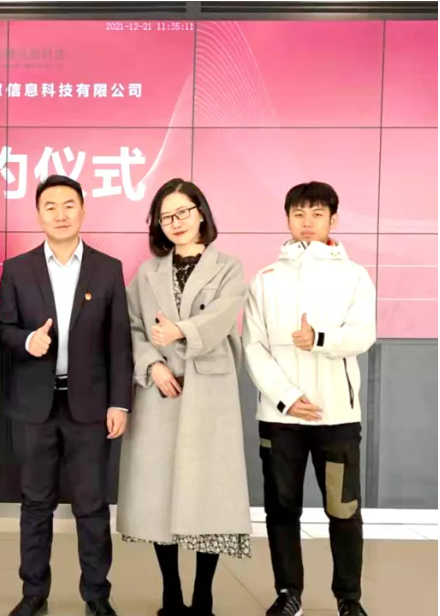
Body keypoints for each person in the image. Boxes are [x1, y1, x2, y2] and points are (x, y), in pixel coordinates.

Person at [0, 175, 131, 616]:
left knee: (92, 506)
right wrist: (26, 341)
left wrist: (119, 401)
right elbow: (2, 329)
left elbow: (119, 342)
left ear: (83, 210)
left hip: (89, 406)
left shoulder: (107, 268)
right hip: (34, 405)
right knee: (35, 504)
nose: (60, 214)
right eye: (50, 206)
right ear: (38, 215)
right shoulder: (18, 268)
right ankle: (34, 594)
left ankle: (97, 596)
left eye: (68, 205)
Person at [116, 179, 252, 616]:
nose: (175, 222)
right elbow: (133, 326)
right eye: (165, 216)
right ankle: (171, 593)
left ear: (201, 213)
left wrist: (181, 331)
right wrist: (151, 365)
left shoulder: (227, 267)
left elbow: (223, 315)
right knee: (159, 492)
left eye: (182, 212)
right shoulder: (147, 273)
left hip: (209, 391)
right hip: (161, 392)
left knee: (209, 492)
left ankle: (204, 596)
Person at [243, 181, 376, 616]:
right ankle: (288, 594)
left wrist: (319, 338)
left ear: (333, 219)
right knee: (281, 509)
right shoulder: (265, 279)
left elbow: (363, 334)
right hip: (280, 418)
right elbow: (253, 346)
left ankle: (349, 599)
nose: (307, 222)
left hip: (336, 417)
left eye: (317, 213)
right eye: (298, 213)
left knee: (343, 509)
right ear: (287, 218)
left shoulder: (354, 276)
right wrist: (285, 397)